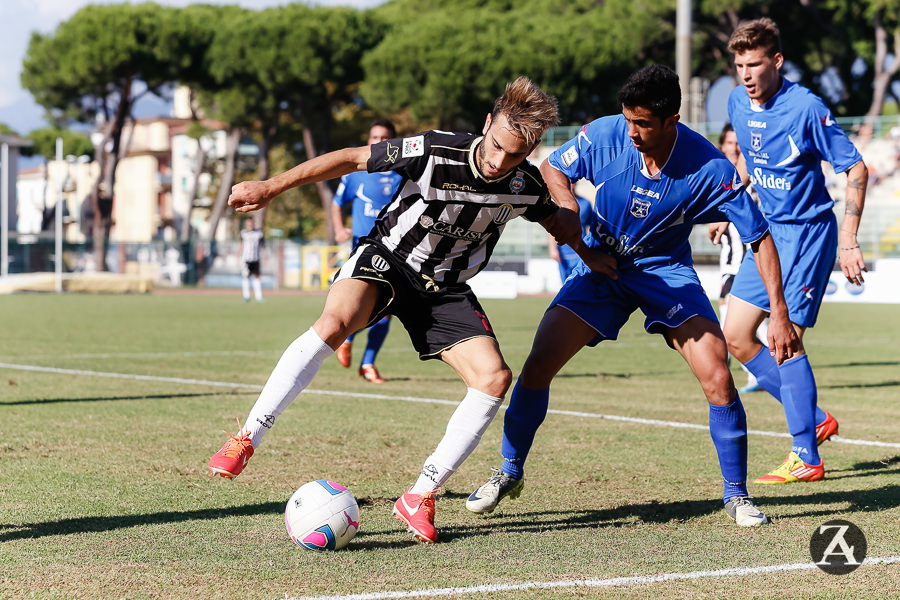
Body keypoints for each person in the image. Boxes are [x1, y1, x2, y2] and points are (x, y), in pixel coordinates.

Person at [208, 77, 596, 544]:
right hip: (389, 260)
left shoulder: (524, 184)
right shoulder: (434, 150)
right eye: (496, 146)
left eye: (514, 156)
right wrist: (273, 186)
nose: (499, 162)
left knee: (494, 378)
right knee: (334, 323)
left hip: (446, 290)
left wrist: (588, 240)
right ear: (487, 123)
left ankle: (420, 496)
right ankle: (247, 437)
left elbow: (560, 223)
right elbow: (352, 159)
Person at [467, 65, 800, 528]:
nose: (632, 132)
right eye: (628, 120)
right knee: (539, 361)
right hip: (602, 265)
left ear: (672, 120)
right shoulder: (605, 134)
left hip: (665, 271)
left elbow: (760, 239)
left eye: (643, 123)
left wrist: (778, 314)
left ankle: (737, 496)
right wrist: (569, 213)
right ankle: (508, 472)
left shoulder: (710, 168)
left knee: (718, 374)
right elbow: (552, 169)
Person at [718, 18, 868, 484]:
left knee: (784, 341)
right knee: (737, 335)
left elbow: (857, 168)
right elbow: (746, 156)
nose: (746, 74)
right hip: (767, 234)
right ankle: (816, 417)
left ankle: (806, 455)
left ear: (776, 61)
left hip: (807, 235)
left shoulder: (806, 107)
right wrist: (729, 205)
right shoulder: (736, 103)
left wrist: (848, 240)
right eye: (739, 64)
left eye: (755, 64)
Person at [330, 119, 403, 383]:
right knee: (364, 309)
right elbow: (336, 203)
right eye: (374, 137)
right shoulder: (355, 174)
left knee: (387, 312)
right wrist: (339, 229)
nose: (379, 142)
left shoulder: (405, 174)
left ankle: (368, 363)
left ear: (394, 142)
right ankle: (348, 338)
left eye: (385, 137)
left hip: (395, 252)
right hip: (362, 251)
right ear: (368, 140)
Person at [715, 124, 765, 393]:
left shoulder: (752, 178)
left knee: (736, 320)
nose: (733, 148)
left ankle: (762, 370)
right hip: (729, 260)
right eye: (729, 143)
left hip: (747, 260)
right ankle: (763, 368)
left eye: (738, 143)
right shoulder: (720, 174)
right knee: (736, 318)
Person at [548, 189, 592, 283]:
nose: (571, 184)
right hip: (563, 251)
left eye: (572, 182)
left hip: (581, 250)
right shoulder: (557, 204)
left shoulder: (585, 203)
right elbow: (553, 227)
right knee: (565, 284)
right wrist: (552, 248)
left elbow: (592, 226)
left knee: (582, 283)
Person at [240, 218, 264, 302]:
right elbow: (241, 244)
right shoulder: (243, 233)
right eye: (248, 223)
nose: (250, 225)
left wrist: (265, 256)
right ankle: (246, 296)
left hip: (256, 258)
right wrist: (238, 256)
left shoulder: (259, 233)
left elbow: (262, 245)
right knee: (246, 276)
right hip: (246, 259)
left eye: (251, 223)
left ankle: (259, 296)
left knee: (257, 276)